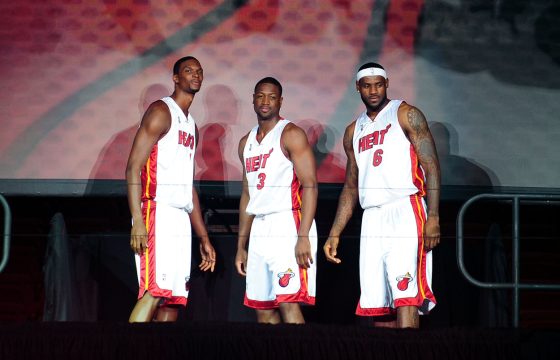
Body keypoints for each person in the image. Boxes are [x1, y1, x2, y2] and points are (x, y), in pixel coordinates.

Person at [323, 62, 440, 328]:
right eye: (367, 85)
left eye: (378, 84)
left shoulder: (406, 114)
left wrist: (433, 216)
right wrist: (335, 232)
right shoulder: (354, 131)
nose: (373, 90)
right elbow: (351, 186)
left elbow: (431, 166)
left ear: (386, 84)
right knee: (379, 303)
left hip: (406, 209)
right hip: (372, 217)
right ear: (358, 88)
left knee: (406, 296)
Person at [126, 56, 216, 323]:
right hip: (157, 211)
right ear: (176, 78)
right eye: (188, 70)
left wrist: (203, 238)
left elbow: (188, 188)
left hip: (179, 217)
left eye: (199, 70)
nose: (195, 74)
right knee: (153, 293)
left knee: (172, 302)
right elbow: (133, 168)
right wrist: (138, 222)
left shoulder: (191, 125)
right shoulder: (161, 112)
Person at [235, 77, 318, 324]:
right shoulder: (246, 143)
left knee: (288, 303)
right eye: (260, 96)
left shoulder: (291, 134)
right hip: (260, 228)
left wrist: (303, 236)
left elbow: (311, 186)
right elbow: (248, 195)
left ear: (280, 101)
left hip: (287, 223)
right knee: (263, 309)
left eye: (272, 97)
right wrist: (241, 245)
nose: (265, 101)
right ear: (253, 98)